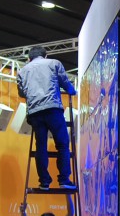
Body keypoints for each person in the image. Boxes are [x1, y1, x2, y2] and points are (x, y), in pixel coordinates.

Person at [17, 45, 77, 190]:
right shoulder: (54, 63)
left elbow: (21, 93)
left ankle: (44, 182)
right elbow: (64, 82)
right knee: (62, 144)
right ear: (45, 55)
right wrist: (72, 91)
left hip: (35, 112)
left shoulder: (22, 71)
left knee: (41, 146)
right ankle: (64, 180)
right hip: (53, 109)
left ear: (29, 58)